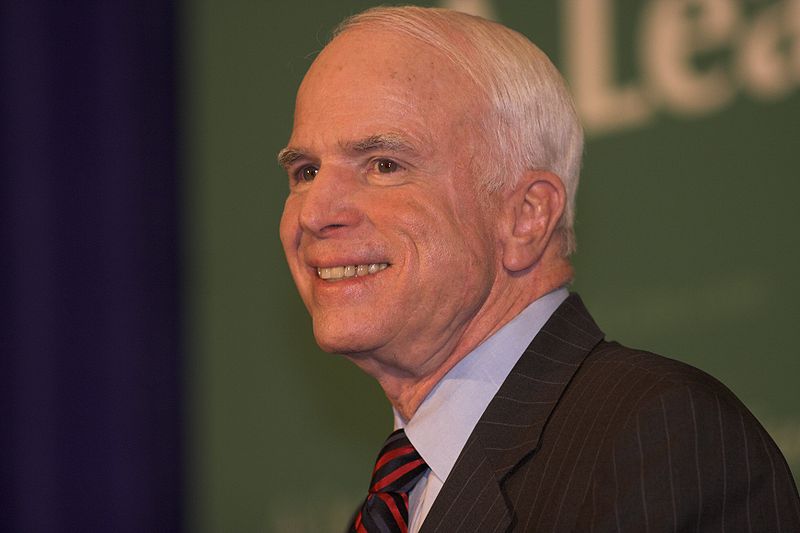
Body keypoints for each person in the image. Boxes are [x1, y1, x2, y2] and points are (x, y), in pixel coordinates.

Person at [277, 6, 800, 532]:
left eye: (384, 165)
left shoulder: (661, 442)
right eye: (306, 171)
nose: (315, 213)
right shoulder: (390, 509)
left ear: (526, 216)